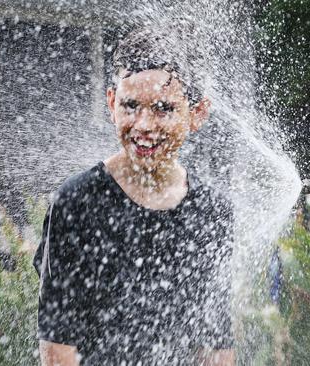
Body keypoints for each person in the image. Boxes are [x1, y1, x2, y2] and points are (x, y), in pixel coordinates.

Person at [34, 26, 235, 365]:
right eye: (130, 105)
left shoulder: (212, 209)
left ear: (197, 113)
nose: (143, 124)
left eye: (162, 108)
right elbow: (57, 346)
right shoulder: (78, 201)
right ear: (112, 103)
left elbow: (216, 342)